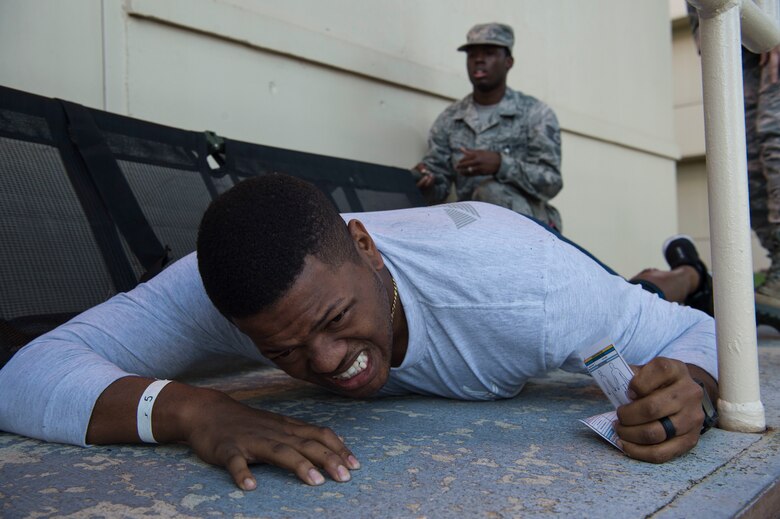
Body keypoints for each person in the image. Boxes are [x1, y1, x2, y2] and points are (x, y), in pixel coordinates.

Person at [0, 174, 717, 492]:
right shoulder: (208, 288)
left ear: (366, 248)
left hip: (515, 243)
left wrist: (694, 390)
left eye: (337, 320)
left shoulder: (531, 287)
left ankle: (682, 270)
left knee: (647, 296)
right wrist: (195, 411)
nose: (327, 363)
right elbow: (25, 374)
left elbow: (694, 334)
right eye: (282, 349)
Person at [413, 22, 563, 230]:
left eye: (489, 53)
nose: (479, 60)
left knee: (491, 192)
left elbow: (551, 182)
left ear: (508, 62)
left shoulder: (536, 114)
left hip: (530, 225)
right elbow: (439, 186)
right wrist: (424, 180)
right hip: (473, 225)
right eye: (472, 55)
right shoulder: (450, 119)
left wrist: (501, 164)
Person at [687, 5, 780, 323]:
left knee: (774, 136)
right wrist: (703, 30)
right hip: (735, 36)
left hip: (770, 20)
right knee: (743, 155)